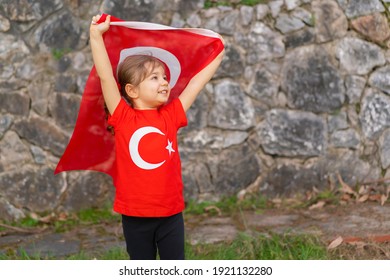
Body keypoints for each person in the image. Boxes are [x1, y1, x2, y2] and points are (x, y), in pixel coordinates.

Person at [89, 14, 224, 260]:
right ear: (132, 90)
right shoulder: (122, 117)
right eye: (154, 77)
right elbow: (106, 76)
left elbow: (195, 84)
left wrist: (218, 51)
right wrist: (96, 36)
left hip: (171, 215)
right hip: (135, 217)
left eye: (164, 77)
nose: (164, 82)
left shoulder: (171, 115)